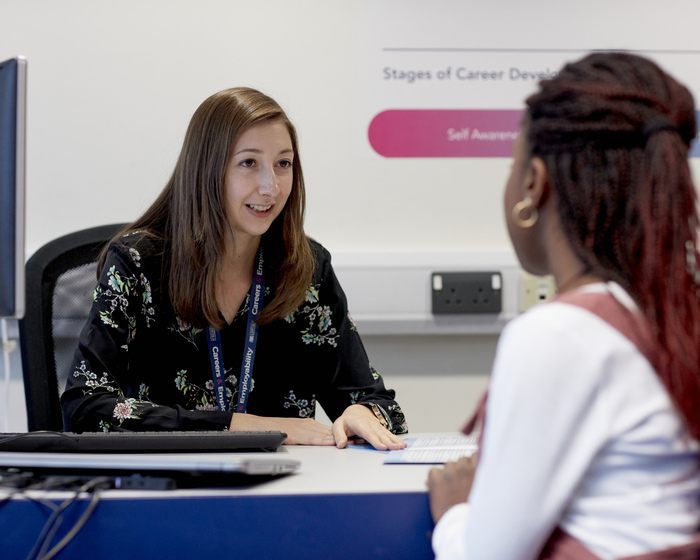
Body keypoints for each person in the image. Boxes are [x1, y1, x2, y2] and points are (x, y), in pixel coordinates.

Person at [426, 52, 700, 559]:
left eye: (511, 166)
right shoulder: (676, 316)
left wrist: (456, 512)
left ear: (533, 183)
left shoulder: (561, 335)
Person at [60, 87, 408, 451]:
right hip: (168, 487)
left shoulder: (305, 267)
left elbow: (380, 404)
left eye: (283, 164)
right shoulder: (139, 264)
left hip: (285, 487)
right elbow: (86, 407)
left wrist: (363, 413)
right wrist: (241, 425)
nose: (270, 186)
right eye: (248, 163)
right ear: (207, 169)